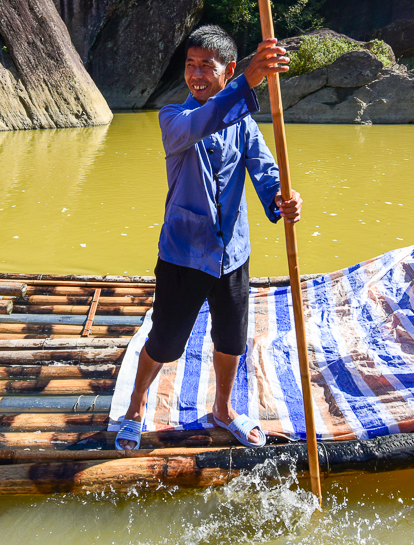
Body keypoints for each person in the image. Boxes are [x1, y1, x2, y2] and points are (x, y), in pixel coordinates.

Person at [115, 25, 302, 450]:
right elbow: (206, 119)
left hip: (232, 254)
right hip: (183, 253)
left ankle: (223, 408)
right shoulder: (173, 119)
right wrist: (249, 81)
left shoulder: (244, 125)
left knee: (232, 339)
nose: (196, 74)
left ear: (227, 70)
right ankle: (135, 407)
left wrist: (282, 198)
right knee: (165, 342)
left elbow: (266, 171)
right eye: (191, 65)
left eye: (206, 66)